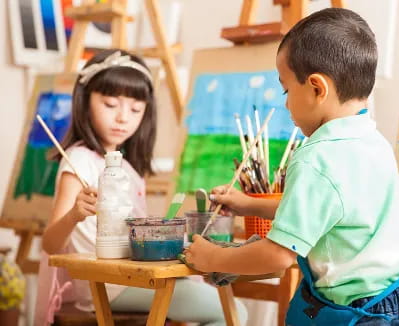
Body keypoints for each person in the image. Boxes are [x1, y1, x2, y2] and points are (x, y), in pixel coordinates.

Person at [185, 8, 399, 325]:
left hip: (374, 313)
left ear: (316, 88)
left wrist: (214, 257)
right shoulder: (369, 138)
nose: (285, 103)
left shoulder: (317, 156)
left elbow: (278, 255)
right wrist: (248, 205)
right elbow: (326, 209)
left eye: (286, 89)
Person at [35, 49, 247, 326]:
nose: (123, 118)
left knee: (223, 304)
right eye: (111, 104)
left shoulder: (128, 168)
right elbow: (50, 245)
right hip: (108, 284)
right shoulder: (79, 159)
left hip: (129, 276)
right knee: (232, 312)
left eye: (136, 109)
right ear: (84, 102)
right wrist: (75, 214)